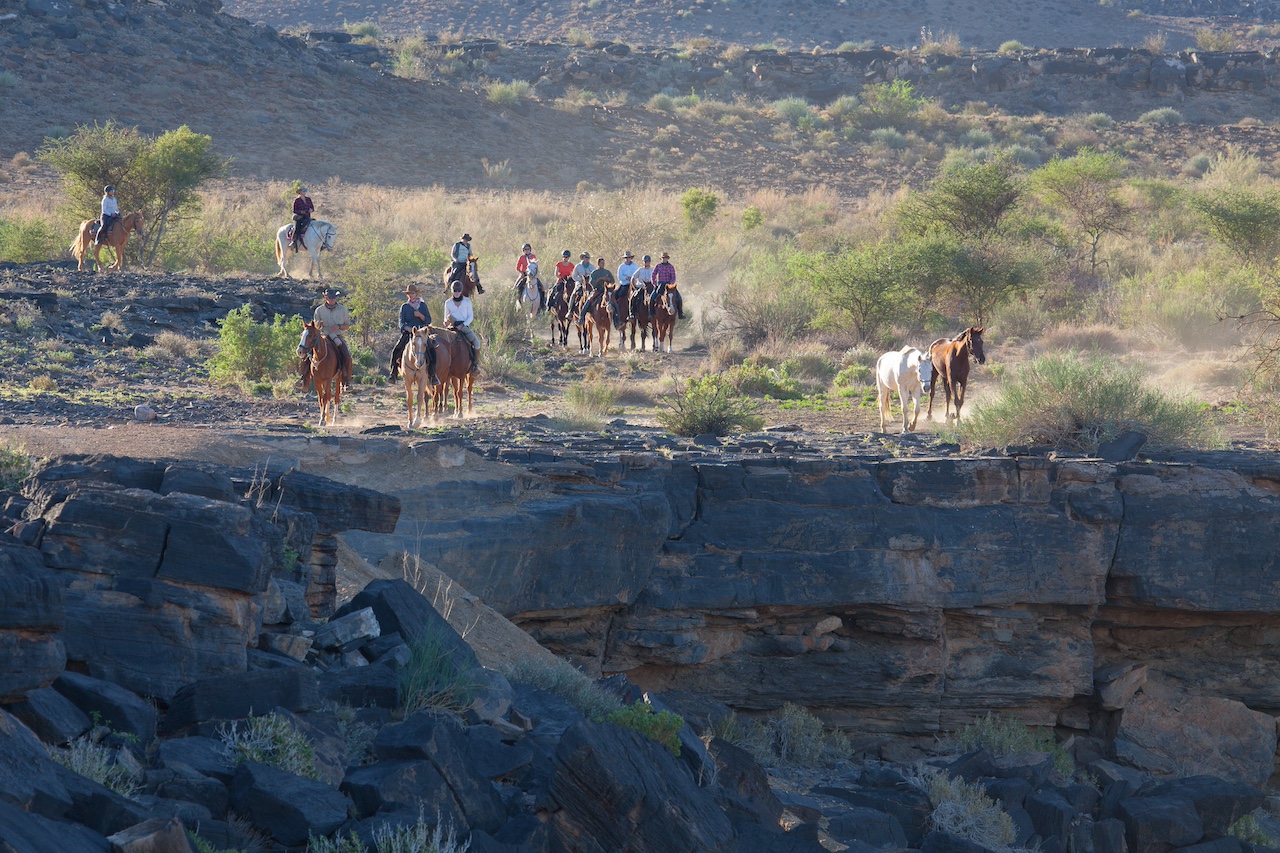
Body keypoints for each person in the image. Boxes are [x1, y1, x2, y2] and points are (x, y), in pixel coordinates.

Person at [389, 283, 439, 386]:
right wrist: (408, 328)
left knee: (432, 350)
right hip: (409, 333)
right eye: (409, 294)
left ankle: (433, 374)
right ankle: (393, 374)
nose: (411, 295)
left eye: (412, 293)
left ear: (416, 293)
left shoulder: (423, 305)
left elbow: (428, 320)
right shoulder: (405, 307)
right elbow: (401, 323)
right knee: (397, 349)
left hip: (422, 333)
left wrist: (420, 315)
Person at [314, 287, 353, 390]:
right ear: (325, 298)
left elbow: (347, 325)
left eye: (334, 298)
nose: (332, 300)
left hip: (337, 337)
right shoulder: (319, 310)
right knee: (306, 352)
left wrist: (339, 327)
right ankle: (304, 379)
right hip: (324, 337)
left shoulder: (343, 310)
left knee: (347, 356)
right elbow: (316, 326)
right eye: (330, 298)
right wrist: (319, 324)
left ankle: (346, 380)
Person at [444, 279, 480, 372]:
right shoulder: (448, 303)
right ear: (452, 290)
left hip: (463, 326)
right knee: (441, 343)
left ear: (461, 290)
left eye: (458, 290)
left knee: (476, 343)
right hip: (451, 327)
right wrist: (446, 322)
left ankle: (475, 365)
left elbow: (470, 317)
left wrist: (463, 325)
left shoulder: (467, 301)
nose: (456, 292)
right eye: (455, 290)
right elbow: (445, 318)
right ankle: (440, 365)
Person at [579, 257, 615, 328]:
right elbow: (592, 283)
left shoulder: (607, 272)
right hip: (597, 290)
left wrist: (609, 279)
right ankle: (581, 317)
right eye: (601, 263)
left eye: (603, 263)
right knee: (589, 300)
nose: (603, 264)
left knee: (615, 302)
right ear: (598, 264)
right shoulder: (594, 273)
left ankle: (617, 320)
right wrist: (600, 279)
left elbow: (613, 281)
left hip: (607, 290)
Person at [650, 251, 685, 319]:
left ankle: (680, 313)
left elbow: (673, 277)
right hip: (660, 284)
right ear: (661, 259)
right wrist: (654, 284)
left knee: (679, 297)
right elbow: (653, 275)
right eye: (663, 258)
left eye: (665, 258)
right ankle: (651, 313)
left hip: (669, 285)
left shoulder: (671, 267)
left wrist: (671, 284)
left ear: (667, 259)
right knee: (652, 297)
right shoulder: (658, 266)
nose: (664, 259)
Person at [514, 243, 545, 308]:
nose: (527, 250)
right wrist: (521, 272)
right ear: (523, 250)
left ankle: (542, 303)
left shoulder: (533, 256)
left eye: (528, 249)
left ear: (530, 249)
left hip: (532, 275)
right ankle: (516, 301)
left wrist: (535, 273)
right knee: (516, 287)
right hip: (524, 275)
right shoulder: (521, 257)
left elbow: (536, 266)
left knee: (542, 288)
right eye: (525, 249)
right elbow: (517, 268)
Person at [291, 187, 314, 252]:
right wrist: (301, 212)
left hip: (307, 217)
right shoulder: (297, 200)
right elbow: (294, 210)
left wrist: (311, 210)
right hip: (299, 218)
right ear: (300, 192)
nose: (305, 192)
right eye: (303, 190)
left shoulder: (308, 199)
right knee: (297, 228)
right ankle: (293, 241)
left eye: (305, 190)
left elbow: (312, 207)